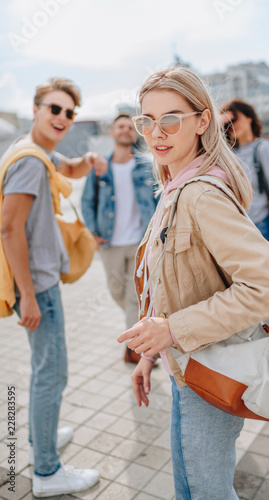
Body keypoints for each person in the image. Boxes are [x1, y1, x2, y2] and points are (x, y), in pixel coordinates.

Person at [117, 66, 269, 500]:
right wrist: (152, 354)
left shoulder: (200, 193)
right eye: (147, 121)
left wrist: (172, 331)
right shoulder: (177, 185)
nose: (157, 132)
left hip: (211, 373)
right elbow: (174, 283)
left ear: (202, 121)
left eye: (171, 118)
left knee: (204, 493)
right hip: (187, 369)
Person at [0, 77, 107, 497]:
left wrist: (91, 159)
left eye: (69, 112)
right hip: (39, 286)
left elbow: (71, 167)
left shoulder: (38, 153)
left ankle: (39, 436)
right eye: (55, 109)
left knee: (48, 370)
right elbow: (9, 230)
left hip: (40, 283)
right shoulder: (29, 161)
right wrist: (27, 294)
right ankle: (46, 471)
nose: (63, 117)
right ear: (36, 110)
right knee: (52, 373)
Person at [81, 113, 158, 364]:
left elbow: (159, 201)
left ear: (134, 134)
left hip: (141, 242)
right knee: (118, 294)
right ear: (112, 133)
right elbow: (87, 202)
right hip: (110, 242)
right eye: (120, 127)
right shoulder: (101, 167)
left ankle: (136, 349)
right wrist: (93, 232)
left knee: (135, 297)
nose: (126, 131)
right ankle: (138, 341)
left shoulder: (147, 165)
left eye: (130, 127)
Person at [220, 99, 269, 241]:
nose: (232, 125)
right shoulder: (229, 152)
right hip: (235, 228)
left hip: (260, 226)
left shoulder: (262, 148)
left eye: (235, 118)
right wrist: (217, 123)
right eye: (228, 122)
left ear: (249, 117)